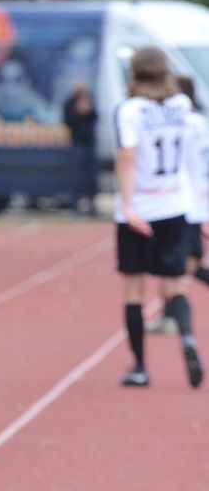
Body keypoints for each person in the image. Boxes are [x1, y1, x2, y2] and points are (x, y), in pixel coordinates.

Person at [114, 46, 203, 389]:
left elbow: (127, 155)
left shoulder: (130, 109)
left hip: (141, 208)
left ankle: (140, 366)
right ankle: (188, 339)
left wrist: (127, 205)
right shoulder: (181, 105)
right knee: (176, 283)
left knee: (133, 289)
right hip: (174, 205)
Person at [149, 75, 209, 334]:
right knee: (175, 262)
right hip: (197, 199)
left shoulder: (179, 123)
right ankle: (168, 314)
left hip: (181, 201)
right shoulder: (202, 123)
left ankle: (172, 315)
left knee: (181, 264)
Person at [63, 82, 98, 215]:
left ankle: (92, 206)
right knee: (76, 177)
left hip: (90, 144)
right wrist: (78, 111)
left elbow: (95, 118)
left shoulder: (90, 101)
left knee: (91, 178)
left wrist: (88, 110)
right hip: (77, 143)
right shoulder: (69, 103)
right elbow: (67, 121)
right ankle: (75, 207)